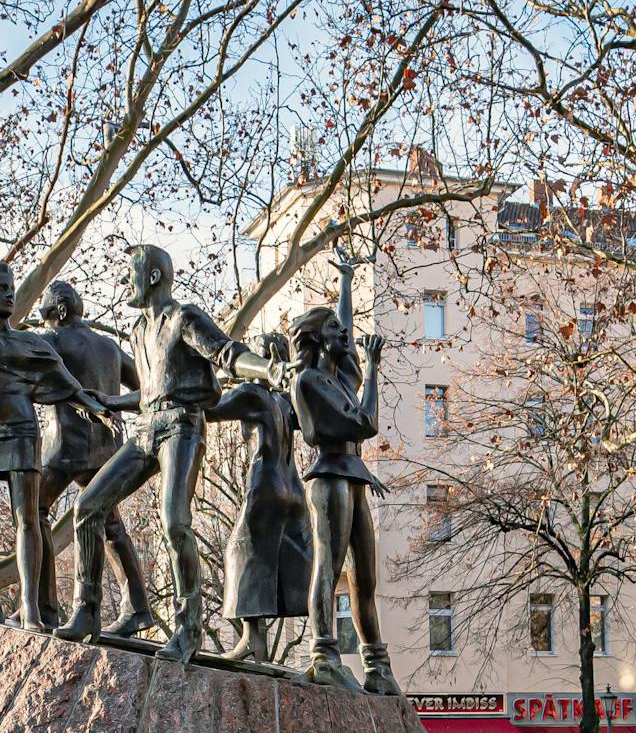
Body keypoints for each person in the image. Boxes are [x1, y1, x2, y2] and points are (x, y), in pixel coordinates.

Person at [56, 243, 285, 663]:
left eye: (131, 273)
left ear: (154, 277)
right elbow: (151, 392)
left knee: (174, 520)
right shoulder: (139, 332)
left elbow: (227, 354)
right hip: (146, 429)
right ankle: (87, 611)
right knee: (87, 506)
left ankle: (187, 628)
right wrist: (108, 401)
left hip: (182, 426)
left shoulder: (185, 317)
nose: (126, 281)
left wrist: (266, 369)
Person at [0, 260, 112, 628]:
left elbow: (65, 382)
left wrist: (94, 406)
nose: (9, 293)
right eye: (0, 287)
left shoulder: (31, 342)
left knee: (27, 516)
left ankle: (31, 607)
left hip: (22, 429)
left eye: (11, 287)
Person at [290, 248, 395, 693]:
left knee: (366, 578)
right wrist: (372, 369)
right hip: (330, 477)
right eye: (332, 329)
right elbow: (365, 423)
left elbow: (346, 329)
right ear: (316, 339)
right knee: (329, 569)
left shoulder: (338, 375)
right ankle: (324, 653)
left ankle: (378, 666)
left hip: (354, 477)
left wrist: (348, 282)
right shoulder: (310, 382)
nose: (344, 334)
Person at [33, 281, 155, 637]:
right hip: (107, 448)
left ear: (61, 310)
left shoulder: (51, 341)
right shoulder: (109, 347)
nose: (45, 323)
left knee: (33, 512)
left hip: (64, 448)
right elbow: (147, 387)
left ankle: (45, 608)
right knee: (111, 526)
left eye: (46, 315)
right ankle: (138, 608)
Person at [209, 332, 311, 664]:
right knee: (276, 556)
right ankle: (269, 643)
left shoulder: (254, 394)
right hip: (293, 489)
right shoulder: (288, 401)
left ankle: (252, 638)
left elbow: (211, 409)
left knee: (242, 551)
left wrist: (217, 378)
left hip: (265, 484)